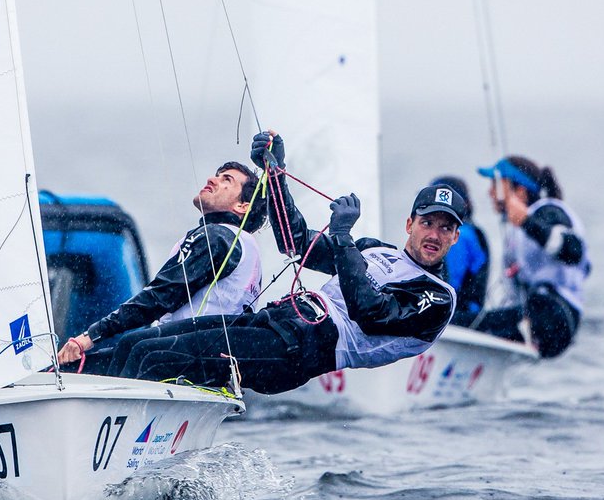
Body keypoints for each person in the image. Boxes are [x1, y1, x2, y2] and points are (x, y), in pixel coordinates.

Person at [110, 132, 462, 394]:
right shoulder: (372, 250)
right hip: (275, 321)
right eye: (428, 223)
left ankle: (122, 443)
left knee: (154, 356)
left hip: (298, 351)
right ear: (409, 224)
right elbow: (295, 242)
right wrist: (275, 173)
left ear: (455, 237)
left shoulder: (437, 297)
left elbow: (369, 311)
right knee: (135, 343)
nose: (434, 234)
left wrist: (342, 236)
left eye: (445, 228)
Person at [55, 162, 268, 371]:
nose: (212, 179)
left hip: (184, 359)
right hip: (215, 361)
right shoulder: (246, 246)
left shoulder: (217, 236)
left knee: (71, 369)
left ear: (242, 206)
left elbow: (162, 295)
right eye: (217, 175)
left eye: (226, 180)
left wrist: (90, 336)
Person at [474, 155, 589, 358]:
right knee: (475, 320)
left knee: (473, 322)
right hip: (538, 316)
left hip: (557, 317)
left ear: (520, 190)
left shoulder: (548, 211)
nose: (490, 192)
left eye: (495, 185)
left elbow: (573, 252)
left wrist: (527, 221)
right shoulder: (515, 231)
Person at [429, 175, 490, 326]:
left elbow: (450, 284)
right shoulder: (471, 230)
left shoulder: (460, 236)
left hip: (459, 319)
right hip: (469, 314)